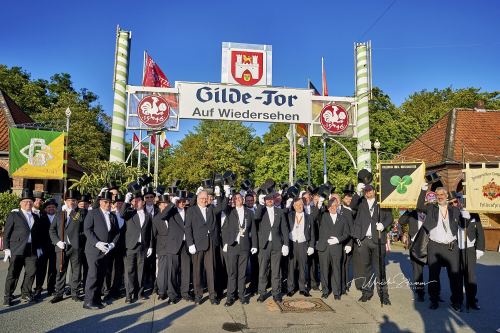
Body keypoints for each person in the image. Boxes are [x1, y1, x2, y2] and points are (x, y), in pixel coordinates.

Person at [417, 185, 463, 312]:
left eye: (442, 194)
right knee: (433, 275)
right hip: (435, 246)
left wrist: (465, 215)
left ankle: (457, 301)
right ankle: (434, 300)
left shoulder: (454, 210)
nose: (440, 197)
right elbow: (419, 206)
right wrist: (423, 190)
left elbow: (464, 225)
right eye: (438, 195)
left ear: (447, 196)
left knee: (455, 276)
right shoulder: (431, 207)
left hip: (451, 246)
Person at [185, 186, 228, 305]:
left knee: (211, 270)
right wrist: (190, 244)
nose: (204, 200)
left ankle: (213, 296)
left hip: (211, 243)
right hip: (197, 245)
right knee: (197, 271)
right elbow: (188, 228)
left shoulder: (211, 208)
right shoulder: (191, 210)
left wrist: (219, 194)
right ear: (198, 198)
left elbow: (221, 207)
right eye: (202, 198)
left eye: (206, 198)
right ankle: (198, 295)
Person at [352, 184, 392, 305]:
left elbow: (390, 217)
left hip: (378, 240)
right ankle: (366, 292)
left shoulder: (382, 202)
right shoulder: (361, 202)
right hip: (364, 240)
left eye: (369, 191)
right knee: (365, 268)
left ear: (374, 191)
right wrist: (357, 193)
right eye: (365, 191)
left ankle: (384, 295)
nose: (368, 193)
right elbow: (352, 206)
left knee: (380, 269)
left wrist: (383, 225)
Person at [3, 189, 44, 306]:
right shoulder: (14, 214)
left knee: (31, 272)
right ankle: (8, 296)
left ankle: (25, 293)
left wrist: (39, 247)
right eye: (25, 201)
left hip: (31, 249)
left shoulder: (36, 217)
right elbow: (7, 232)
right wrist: (6, 248)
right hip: (17, 248)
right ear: (20, 203)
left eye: (30, 201)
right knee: (13, 273)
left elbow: (38, 234)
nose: (28, 203)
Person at [83, 191, 120, 310]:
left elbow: (117, 232)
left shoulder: (112, 215)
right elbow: (87, 230)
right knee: (93, 275)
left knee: (101, 275)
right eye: (105, 202)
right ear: (100, 202)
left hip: (106, 251)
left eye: (110, 202)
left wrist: (112, 244)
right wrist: (97, 243)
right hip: (93, 250)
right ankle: (88, 301)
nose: (108, 204)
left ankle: (97, 299)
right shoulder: (93, 213)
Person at [49, 190, 86, 304]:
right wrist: (57, 242)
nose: (71, 203)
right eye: (69, 200)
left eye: (74, 201)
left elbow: (80, 220)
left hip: (75, 246)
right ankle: (59, 293)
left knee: (76, 271)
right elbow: (52, 230)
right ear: (65, 201)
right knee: (60, 270)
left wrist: (70, 211)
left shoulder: (81, 212)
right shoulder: (59, 213)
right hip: (62, 247)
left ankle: (75, 293)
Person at [221, 193, 257, 306]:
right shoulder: (229, 211)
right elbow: (222, 207)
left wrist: (254, 245)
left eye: (239, 198)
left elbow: (254, 230)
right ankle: (230, 297)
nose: (237, 200)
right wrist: (226, 194)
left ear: (243, 199)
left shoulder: (250, 213)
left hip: (245, 246)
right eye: (235, 198)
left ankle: (242, 295)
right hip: (232, 245)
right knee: (232, 273)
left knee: (242, 273)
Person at [254, 192, 289, 303]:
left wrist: (286, 244)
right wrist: (260, 204)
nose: (269, 201)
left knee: (276, 270)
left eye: (271, 199)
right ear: (264, 201)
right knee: (263, 270)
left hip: (276, 245)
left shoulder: (280, 212)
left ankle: (276, 293)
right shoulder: (261, 211)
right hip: (264, 245)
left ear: (274, 200)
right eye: (267, 199)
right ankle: (262, 293)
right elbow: (256, 217)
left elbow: (284, 229)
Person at [452, 197, 485, 310]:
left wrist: (480, 249)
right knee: (457, 277)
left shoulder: (475, 214)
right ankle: (457, 301)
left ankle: (471, 300)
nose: (462, 203)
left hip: (469, 248)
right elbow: (458, 225)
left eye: (464, 201)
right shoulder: (454, 211)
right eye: (461, 201)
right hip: (457, 248)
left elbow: (480, 232)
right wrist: (462, 215)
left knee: (470, 277)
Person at [120, 191, 153, 303]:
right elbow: (122, 214)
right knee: (129, 271)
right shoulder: (130, 212)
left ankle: (140, 293)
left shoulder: (148, 215)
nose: (136, 202)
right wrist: (126, 201)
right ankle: (129, 294)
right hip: (130, 246)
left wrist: (151, 246)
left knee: (141, 271)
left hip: (143, 247)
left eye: (138, 200)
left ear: (143, 202)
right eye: (134, 201)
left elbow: (150, 232)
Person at [317, 198, 349, 300]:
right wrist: (320, 202)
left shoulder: (343, 218)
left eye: (335, 205)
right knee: (324, 270)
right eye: (330, 206)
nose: (333, 208)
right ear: (328, 207)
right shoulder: (323, 216)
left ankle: (336, 292)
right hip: (324, 248)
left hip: (336, 248)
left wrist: (338, 240)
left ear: (337, 206)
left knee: (336, 270)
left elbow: (347, 233)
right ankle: (325, 291)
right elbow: (315, 215)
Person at [286, 197, 315, 297]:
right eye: (297, 205)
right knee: (291, 267)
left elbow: (312, 233)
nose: (299, 206)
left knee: (303, 267)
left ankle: (302, 288)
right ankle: (290, 288)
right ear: (293, 206)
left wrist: (311, 245)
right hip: (292, 243)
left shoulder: (308, 217)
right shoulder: (289, 215)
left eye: (301, 204)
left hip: (303, 244)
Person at [399, 208, 427, 302]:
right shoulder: (412, 213)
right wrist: (409, 211)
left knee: (435, 270)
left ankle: (435, 293)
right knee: (417, 270)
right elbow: (401, 221)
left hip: (429, 243)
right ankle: (420, 292)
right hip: (415, 244)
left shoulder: (430, 210)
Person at [102, 193, 126, 301]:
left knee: (119, 269)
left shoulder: (126, 214)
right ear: (113, 204)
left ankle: (115, 290)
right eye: (117, 203)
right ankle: (106, 290)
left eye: (121, 203)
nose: (119, 205)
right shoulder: (109, 214)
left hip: (122, 247)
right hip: (110, 246)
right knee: (107, 269)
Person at [34, 199, 58, 299]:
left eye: (53, 207)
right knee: (41, 269)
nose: (51, 208)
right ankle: (38, 288)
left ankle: (51, 288)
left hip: (55, 247)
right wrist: (38, 247)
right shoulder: (40, 217)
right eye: (49, 207)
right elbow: (37, 233)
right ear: (45, 209)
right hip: (43, 248)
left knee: (53, 269)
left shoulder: (59, 217)